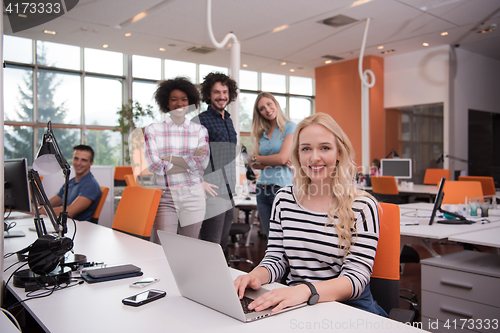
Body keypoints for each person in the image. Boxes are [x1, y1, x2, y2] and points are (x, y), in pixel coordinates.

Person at [234, 113, 386, 316]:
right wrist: (256, 276)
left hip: (348, 310)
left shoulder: (362, 206)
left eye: (325, 147)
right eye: (306, 149)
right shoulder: (284, 199)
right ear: (297, 155)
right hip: (296, 305)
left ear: (339, 152)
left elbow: (355, 280)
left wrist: (305, 291)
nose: (314, 157)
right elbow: (275, 258)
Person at [144, 77, 210, 243]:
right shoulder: (153, 130)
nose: (179, 103)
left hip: (193, 195)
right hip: (165, 196)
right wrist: (190, 160)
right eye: (174, 99)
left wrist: (169, 159)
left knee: (189, 246)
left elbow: (202, 163)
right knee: (163, 247)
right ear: (166, 103)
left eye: (184, 99)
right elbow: (154, 164)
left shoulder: (200, 130)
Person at [193, 72, 238, 258]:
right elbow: (190, 156)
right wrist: (199, 181)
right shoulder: (201, 120)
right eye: (217, 92)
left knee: (222, 243)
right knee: (211, 244)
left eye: (225, 92)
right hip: (212, 191)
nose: (222, 96)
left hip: (228, 191)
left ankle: (222, 283)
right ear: (208, 95)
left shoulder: (228, 119)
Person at [249, 92, 296, 239]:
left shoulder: (290, 127)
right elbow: (253, 164)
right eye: (262, 108)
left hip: (281, 188)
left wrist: (258, 158)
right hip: (261, 189)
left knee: (285, 236)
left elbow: (282, 159)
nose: (267, 109)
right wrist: (273, 161)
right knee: (271, 239)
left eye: (269, 104)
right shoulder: (261, 133)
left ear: (275, 104)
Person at [41, 145, 101, 222]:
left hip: (79, 229)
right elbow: (50, 203)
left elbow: (70, 212)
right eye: (76, 158)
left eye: (84, 160)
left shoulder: (90, 185)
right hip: (65, 225)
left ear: (91, 163)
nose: (78, 163)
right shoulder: (71, 182)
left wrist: (37, 211)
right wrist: (35, 208)